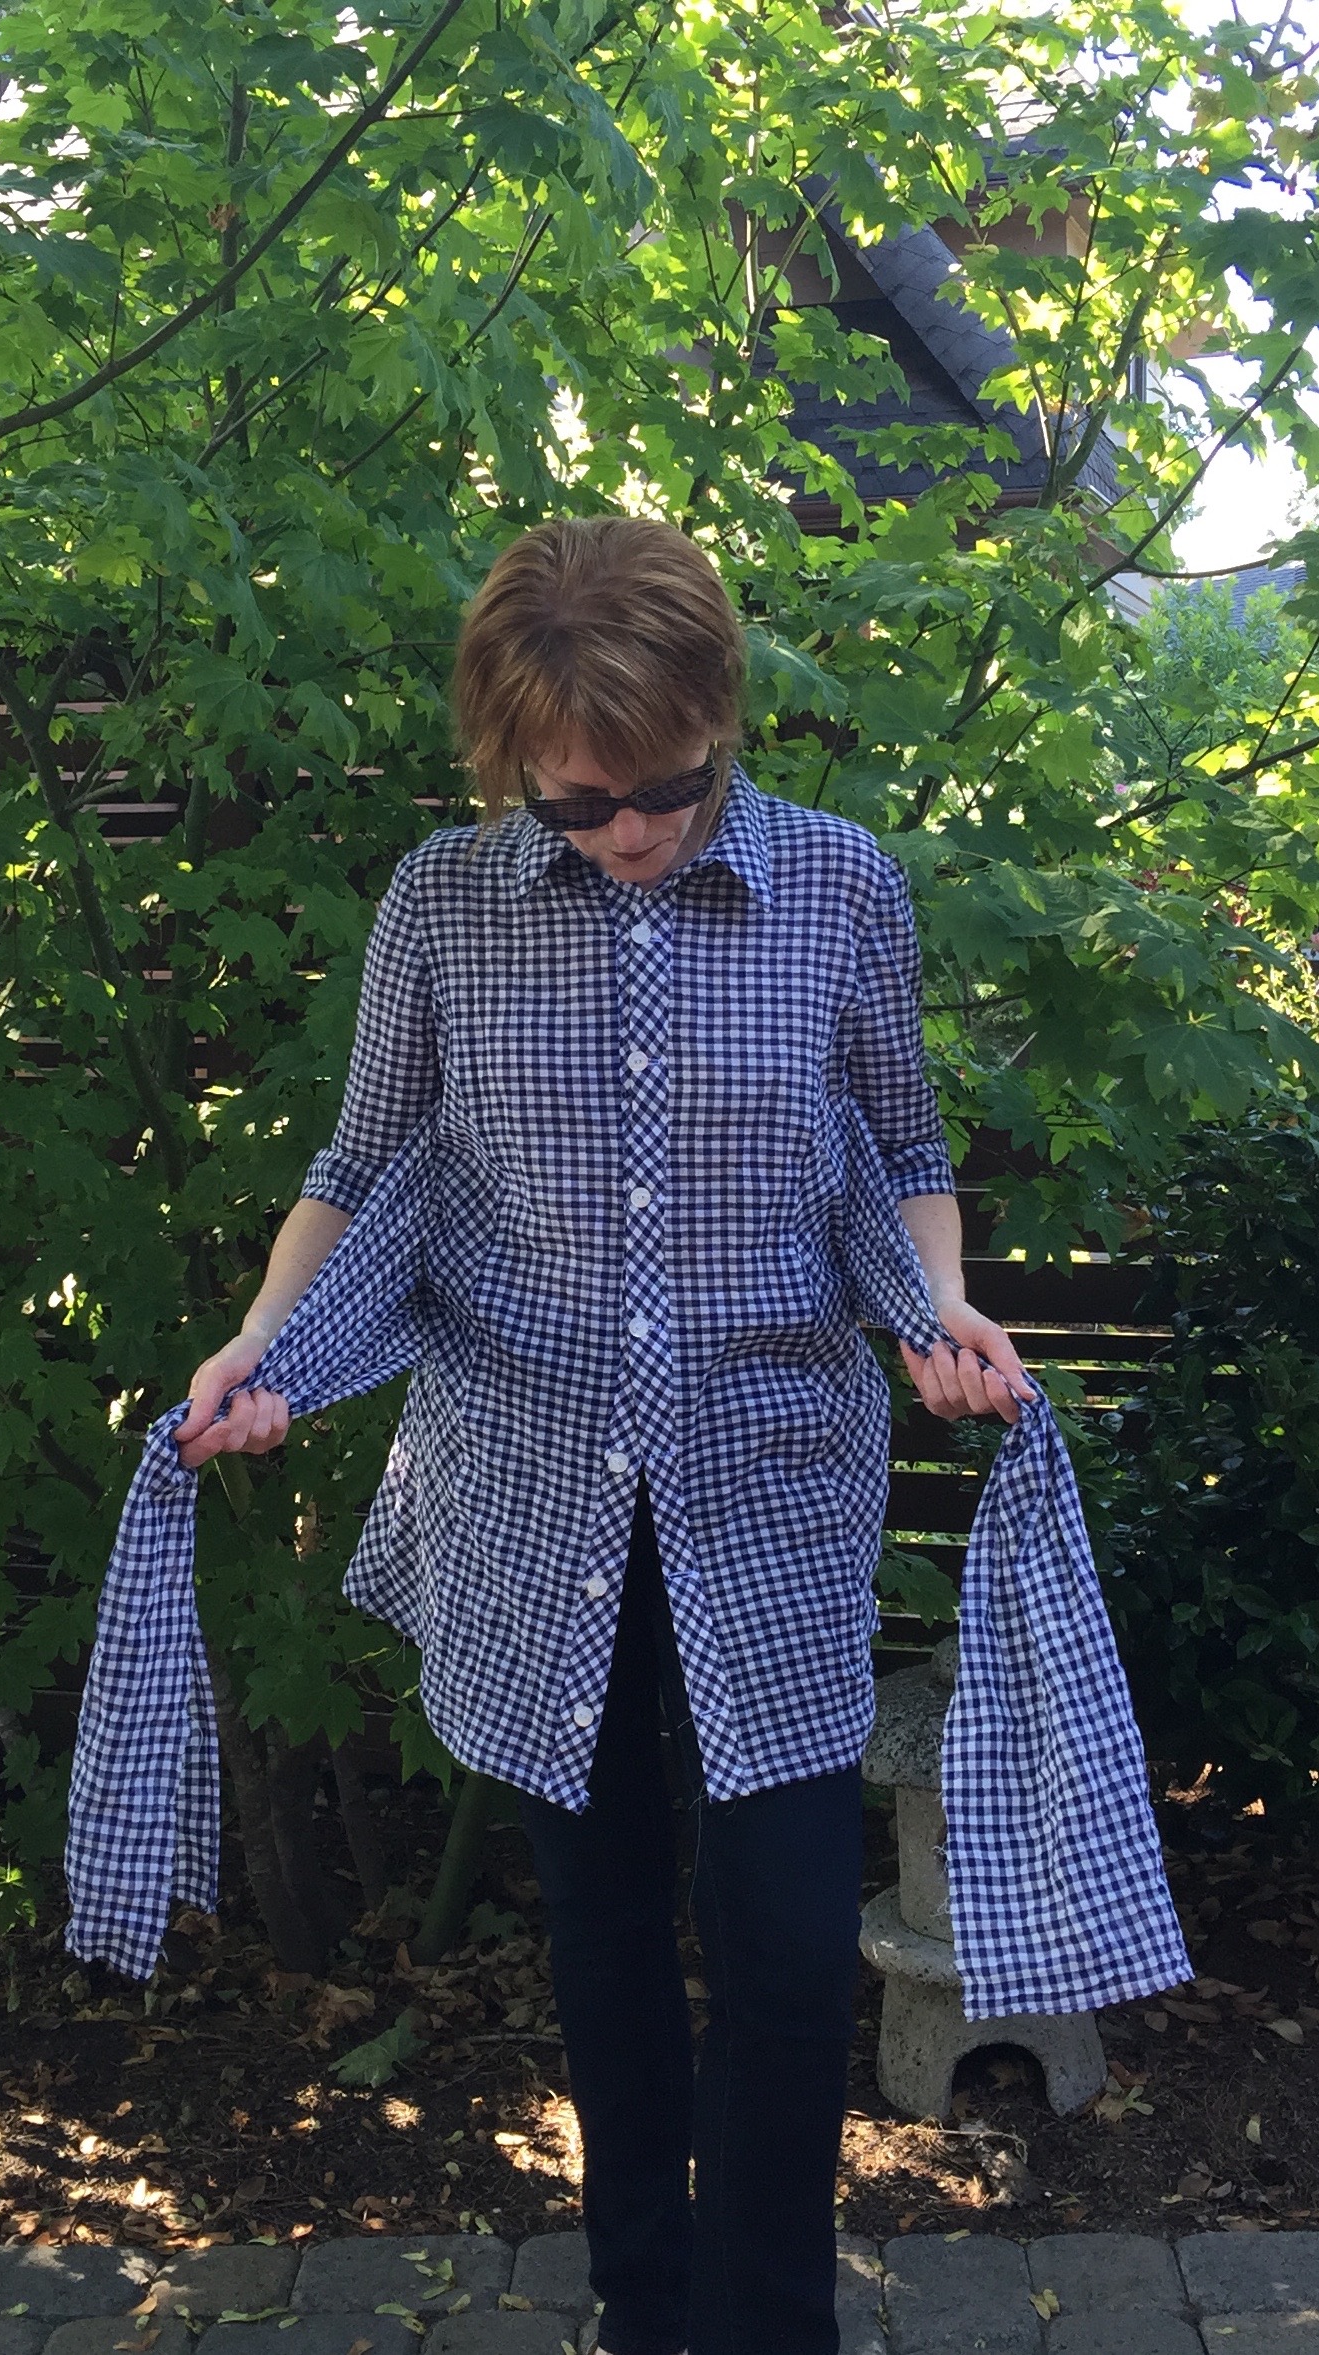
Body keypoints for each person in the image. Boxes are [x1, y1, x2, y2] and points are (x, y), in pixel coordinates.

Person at [173, 516, 1035, 2355]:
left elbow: (900, 1151)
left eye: (665, 788)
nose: (628, 833)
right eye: (573, 802)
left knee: (786, 1947)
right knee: (603, 1934)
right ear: (509, 764)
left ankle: (767, 2326)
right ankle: (644, 2309)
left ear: (724, 718)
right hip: (528, 1480)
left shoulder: (840, 887)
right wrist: (263, 1342)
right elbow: (360, 1168)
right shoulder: (441, 903)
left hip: (771, 1475)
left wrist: (934, 1308)